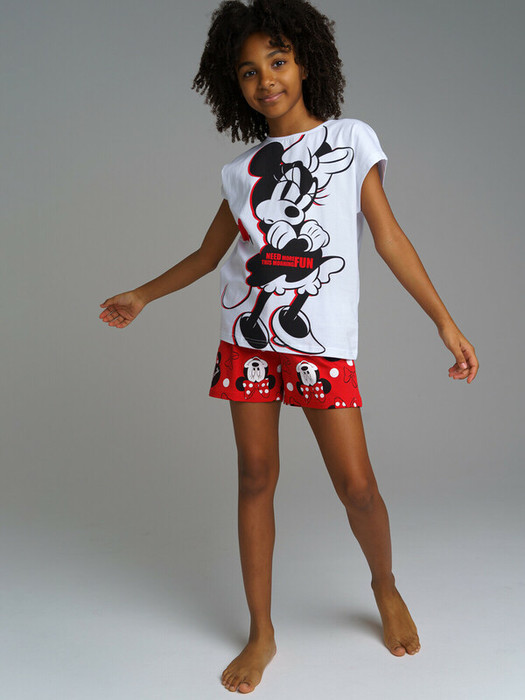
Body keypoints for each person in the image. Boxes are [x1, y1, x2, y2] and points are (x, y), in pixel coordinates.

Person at [99, 0, 479, 693]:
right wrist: (142, 294)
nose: (264, 79)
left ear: (306, 63)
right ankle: (261, 632)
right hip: (247, 342)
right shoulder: (241, 171)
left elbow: (389, 238)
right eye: (248, 71)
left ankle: (385, 586)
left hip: (318, 347)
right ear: (234, 85)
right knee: (254, 478)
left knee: (357, 487)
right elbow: (209, 255)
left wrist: (443, 321)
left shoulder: (350, 140)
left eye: (276, 61)